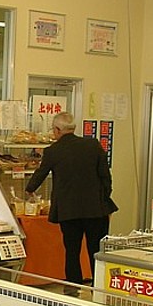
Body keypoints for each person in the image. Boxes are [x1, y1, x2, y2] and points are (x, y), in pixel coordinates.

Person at [25, 112, 117, 295]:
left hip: (68, 210)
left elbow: (40, 174)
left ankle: (73, 289)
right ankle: (99, 289)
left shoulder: (53, 151)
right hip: (95, 209)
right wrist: (103, 198)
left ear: (58, 130)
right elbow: (106, 177)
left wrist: (29, 189)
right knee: (97, 251)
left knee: (72, 251)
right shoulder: (93, 145)